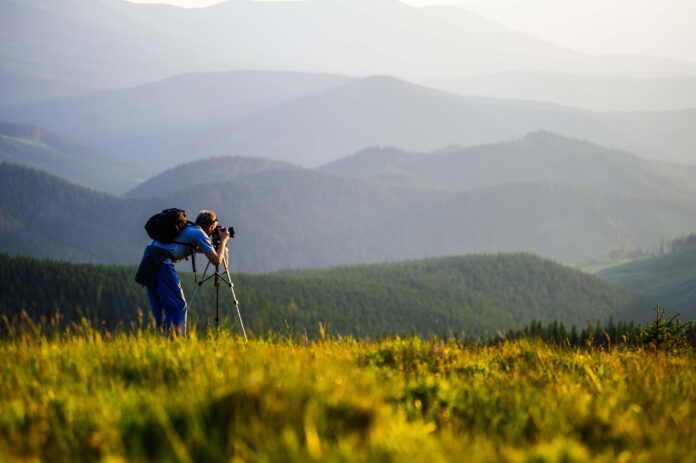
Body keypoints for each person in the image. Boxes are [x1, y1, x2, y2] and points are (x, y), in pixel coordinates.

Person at [135, 210, 230, 336]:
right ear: (210, 227)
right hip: (162, 263)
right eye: (212, 232)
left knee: (161, 310)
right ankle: (177, 344)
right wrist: (223, 241)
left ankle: (163, 344)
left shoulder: (187, 227)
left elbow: (178, 245)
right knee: (178, 306)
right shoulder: (199, 233)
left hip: (148, 261)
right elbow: (217, 261)